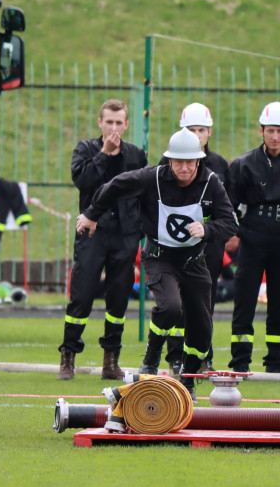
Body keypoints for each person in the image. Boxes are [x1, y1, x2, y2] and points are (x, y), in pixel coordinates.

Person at [76, 128, 236, 399]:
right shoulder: (153, 178)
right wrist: (91, 215)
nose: (184, 168)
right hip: (160, 257)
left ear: (199, 161)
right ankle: (151, 358)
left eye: (190, 162)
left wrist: (207, 231)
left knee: (202, 328)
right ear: (169, 161)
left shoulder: (211, 182)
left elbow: (229, 222)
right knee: (171, 307)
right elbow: (114, 186)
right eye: (178, 162)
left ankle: (188, 380)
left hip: (195, 262)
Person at [57, 99, 148, 381]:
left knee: (118, 299)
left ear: (127, 124)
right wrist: (104, 153)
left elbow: (145, 193)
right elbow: (82, 182)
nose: (113, 128)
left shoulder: (136, 155)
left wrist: (139, 230)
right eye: (108, 122)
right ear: (100, 123)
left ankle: (111, 360)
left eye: (119, 122)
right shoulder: (85, 149)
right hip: (92, 233)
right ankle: (68, 357)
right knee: (81, 295)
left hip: (125, 235)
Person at [225, 101, 280, 373]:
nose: (275, 136)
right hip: (253, 239)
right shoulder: (243, 164)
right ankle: (240, 361)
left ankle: (276, 361)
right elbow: (228, 205)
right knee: (245, 300)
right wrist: (242, 233)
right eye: (270, 130)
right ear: (261, 130)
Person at [163, 102, 231, 375]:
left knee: (204, 302)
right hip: (175, 245)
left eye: (201, 129)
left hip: (209, 246)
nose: (197, 135)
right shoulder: (167, 163)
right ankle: (174, 356)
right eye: (191, 129)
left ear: (209, 132)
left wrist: (214, 232)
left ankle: (204, 355)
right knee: (174, 303)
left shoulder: (220, 166)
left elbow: (227, 208)